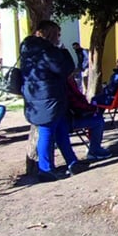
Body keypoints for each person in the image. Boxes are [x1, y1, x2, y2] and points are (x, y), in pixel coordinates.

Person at [20, 20, 82, 183]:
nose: (59, 37)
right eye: (58, 34)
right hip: (49, 96)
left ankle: (72, 162)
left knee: (61, 128)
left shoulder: (27, 48)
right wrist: (63, 51)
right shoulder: (47, 50)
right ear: (51, 33)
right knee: (47, 132)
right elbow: (64, 69)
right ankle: (45, 169)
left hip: (39, 96)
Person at [66, 76, 112, 160]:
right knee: (98, 121)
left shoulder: (62, 81)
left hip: (66, 117)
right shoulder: (67, 83)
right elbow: (75, 102)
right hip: (70, 118)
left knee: (96, 112)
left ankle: (94, 147)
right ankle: (94, 150)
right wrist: (91, 108)